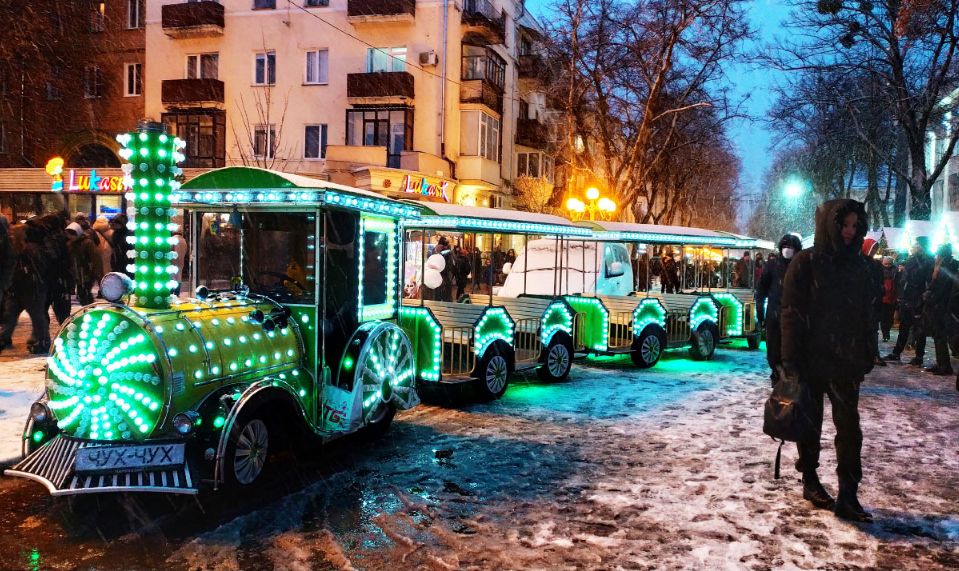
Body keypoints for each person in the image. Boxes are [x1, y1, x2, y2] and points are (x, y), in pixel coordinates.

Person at [780, 198, 875, 522]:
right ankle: (810, 479)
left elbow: (868, 315)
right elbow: (790, 313)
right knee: (810, 423)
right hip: (811, 361)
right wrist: (789, 361)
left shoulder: (861, 267)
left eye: (854, 226)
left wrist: (867, 352)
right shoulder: (805, 262)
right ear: (830, 225)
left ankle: (848, 492)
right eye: (844, 225)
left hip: (846, 362)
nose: (849, 231)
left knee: (849, 430)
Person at [755, 233, 802, 385]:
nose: (787, 249)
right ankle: (777, 374)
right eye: (785, 246)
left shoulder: (801, 266)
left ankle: (789, 376)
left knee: (791, 348)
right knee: (774, 347)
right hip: (774, 314)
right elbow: (761, 289)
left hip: (794, 315)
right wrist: (760, 311)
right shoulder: (772, 265)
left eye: (791, 247)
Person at [884, 237, 934, 364]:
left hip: (918, 300)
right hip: (907, 298)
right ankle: (896, 353)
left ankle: (919, 357)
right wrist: (901, 295)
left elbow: (928, 281)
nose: (914, 246)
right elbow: (904, 279)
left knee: (919, 330)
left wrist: (923, 297)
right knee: (904, 327)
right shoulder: (912, 259)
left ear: (923, 246)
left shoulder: (928, 261)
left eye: (917, 244)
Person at [921, 243, 958, 375]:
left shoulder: (945, 267)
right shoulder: (948, 265)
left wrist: (930, 297)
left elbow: (941, 288)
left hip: (942, 307)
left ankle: (944, 366)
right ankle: (941, 363)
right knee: (939, 336)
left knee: (940, 335)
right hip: (942, 306)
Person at [65, 221, 101, 306]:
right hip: (78, 274)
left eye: (72, 234)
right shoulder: (71, 244)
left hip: (86, 273)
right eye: (69, 235)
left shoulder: (87, 243)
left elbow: (96, 259)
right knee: (82, 293)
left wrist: (95, 273)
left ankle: (89, 308)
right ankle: (87, 308)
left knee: (85, 293)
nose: (70, 237)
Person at [879, 256, 898, 342]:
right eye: (886, 264)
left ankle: (887, 332)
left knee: (890, 317)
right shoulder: (879, 270)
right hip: (883, 297)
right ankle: (885, 333)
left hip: (892, 297)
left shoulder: (895, 271)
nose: (887, 266)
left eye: (889, 264)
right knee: (884, 317)